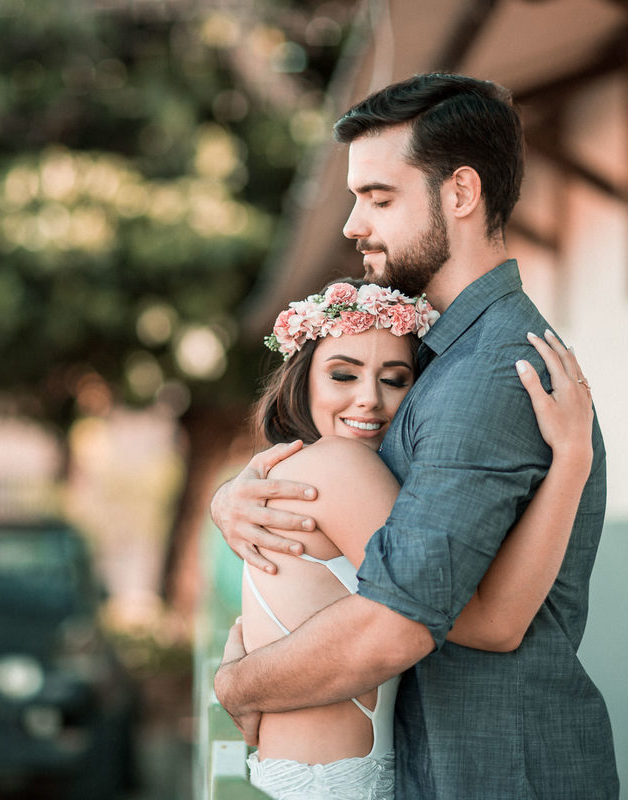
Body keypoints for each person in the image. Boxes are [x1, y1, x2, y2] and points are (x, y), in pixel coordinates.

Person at [213, 73, 618, 798]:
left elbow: (403, 624)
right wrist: (238, 495)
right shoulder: (435, 360)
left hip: (491, 775)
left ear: (460, 194)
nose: (351, 225)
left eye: (378, 196)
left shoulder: (488, 375)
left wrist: (240, 685)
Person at [238, 277, 595, 799]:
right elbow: (491, 624)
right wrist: (572, 459)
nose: (369, 401)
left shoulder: (313, 470)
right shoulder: (340, 466)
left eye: (395, 379)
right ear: (303, 380)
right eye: (343, 375)